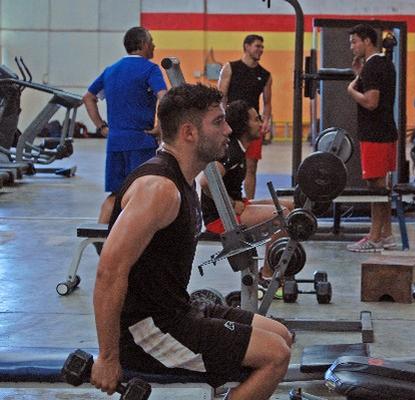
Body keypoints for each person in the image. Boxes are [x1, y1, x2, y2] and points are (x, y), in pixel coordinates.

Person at [90, 84, 293, 400]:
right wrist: (107, 357)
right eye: (218, 122)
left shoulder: (185, 181)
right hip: (147, 330)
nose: (228, 129)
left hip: (177, 310)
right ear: (188, 132)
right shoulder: (158, 189)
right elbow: (109, 272)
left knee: (280, 334)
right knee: (275, 354)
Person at [198, 100, 294, 287]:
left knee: (291, 207)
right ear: (243, 124)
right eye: (256, 119)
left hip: (235, 207)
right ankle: (266, 276)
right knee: (281, 215)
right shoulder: (232, 151)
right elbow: (205, 181)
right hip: (220, 219)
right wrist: (231, 206)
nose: (261, 123)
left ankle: (276, 268)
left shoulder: (239, 148)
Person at [82, 26, 167, 226]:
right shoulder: (150, 69)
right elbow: (164, 96)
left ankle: (99, 241)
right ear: (144, 44)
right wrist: (159, 126)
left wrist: (101, 127)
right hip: (141, 142)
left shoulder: (110, 71)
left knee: (115, 195)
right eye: (152, 41)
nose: (154, 45)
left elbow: (88, 97)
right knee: (142, 194)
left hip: (115, 142)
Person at [345, 24, 398, 253]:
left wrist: (351, 90)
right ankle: (386, 235)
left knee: (375, 187)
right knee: (381, 186)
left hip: (375, 135)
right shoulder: (382, 63)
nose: (352, 46)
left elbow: (371, 101)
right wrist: (359, 76)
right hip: (385, 132)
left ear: (367, 41)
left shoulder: (374, 65)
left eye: (354, 41)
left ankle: (374, 237)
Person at [217, 34, 272, 200]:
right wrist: (220, 121)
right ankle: (226, 201)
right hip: (232, 124)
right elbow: (221, 97)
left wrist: (266, 121)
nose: (261, 50)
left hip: (252, 126)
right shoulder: (230, 68)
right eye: (257, 46)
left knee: (251, 166)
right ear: (247, 47)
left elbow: (267, 103)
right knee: (227, 162)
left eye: (262, 47)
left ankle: (249, 202)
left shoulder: (265, 75)